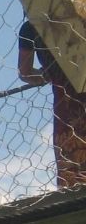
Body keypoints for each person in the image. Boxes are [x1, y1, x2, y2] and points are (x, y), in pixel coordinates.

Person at [18, 21, 86, 188]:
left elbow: (24, 72)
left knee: (74, 178)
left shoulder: (32, 26)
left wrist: (49, 74)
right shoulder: (80, 12)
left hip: (66, 105)